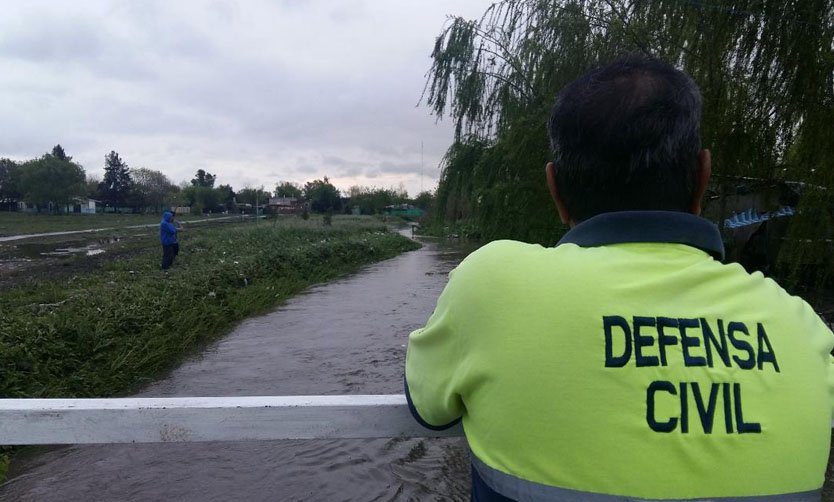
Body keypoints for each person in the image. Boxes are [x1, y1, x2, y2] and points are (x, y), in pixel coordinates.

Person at [404, 54, 834, 501]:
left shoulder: (490, 283)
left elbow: (429, 409)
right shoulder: (802, 326)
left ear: (555, 188)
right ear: (702, 177)